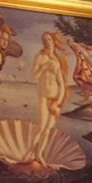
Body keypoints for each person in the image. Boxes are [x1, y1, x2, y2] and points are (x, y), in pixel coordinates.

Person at [28, 31, 71, 166]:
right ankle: (30, 152)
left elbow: (61, 83)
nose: (47, 42)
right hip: (43, 96)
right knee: (41, 126)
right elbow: (33, 77)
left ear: (53, 41)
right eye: (45, 40)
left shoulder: (57, 59)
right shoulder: (40, 57)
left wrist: (58, 102)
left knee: (47, 129)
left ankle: (39, 154)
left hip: (55, 98)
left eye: (49, 39)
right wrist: (45, 67)